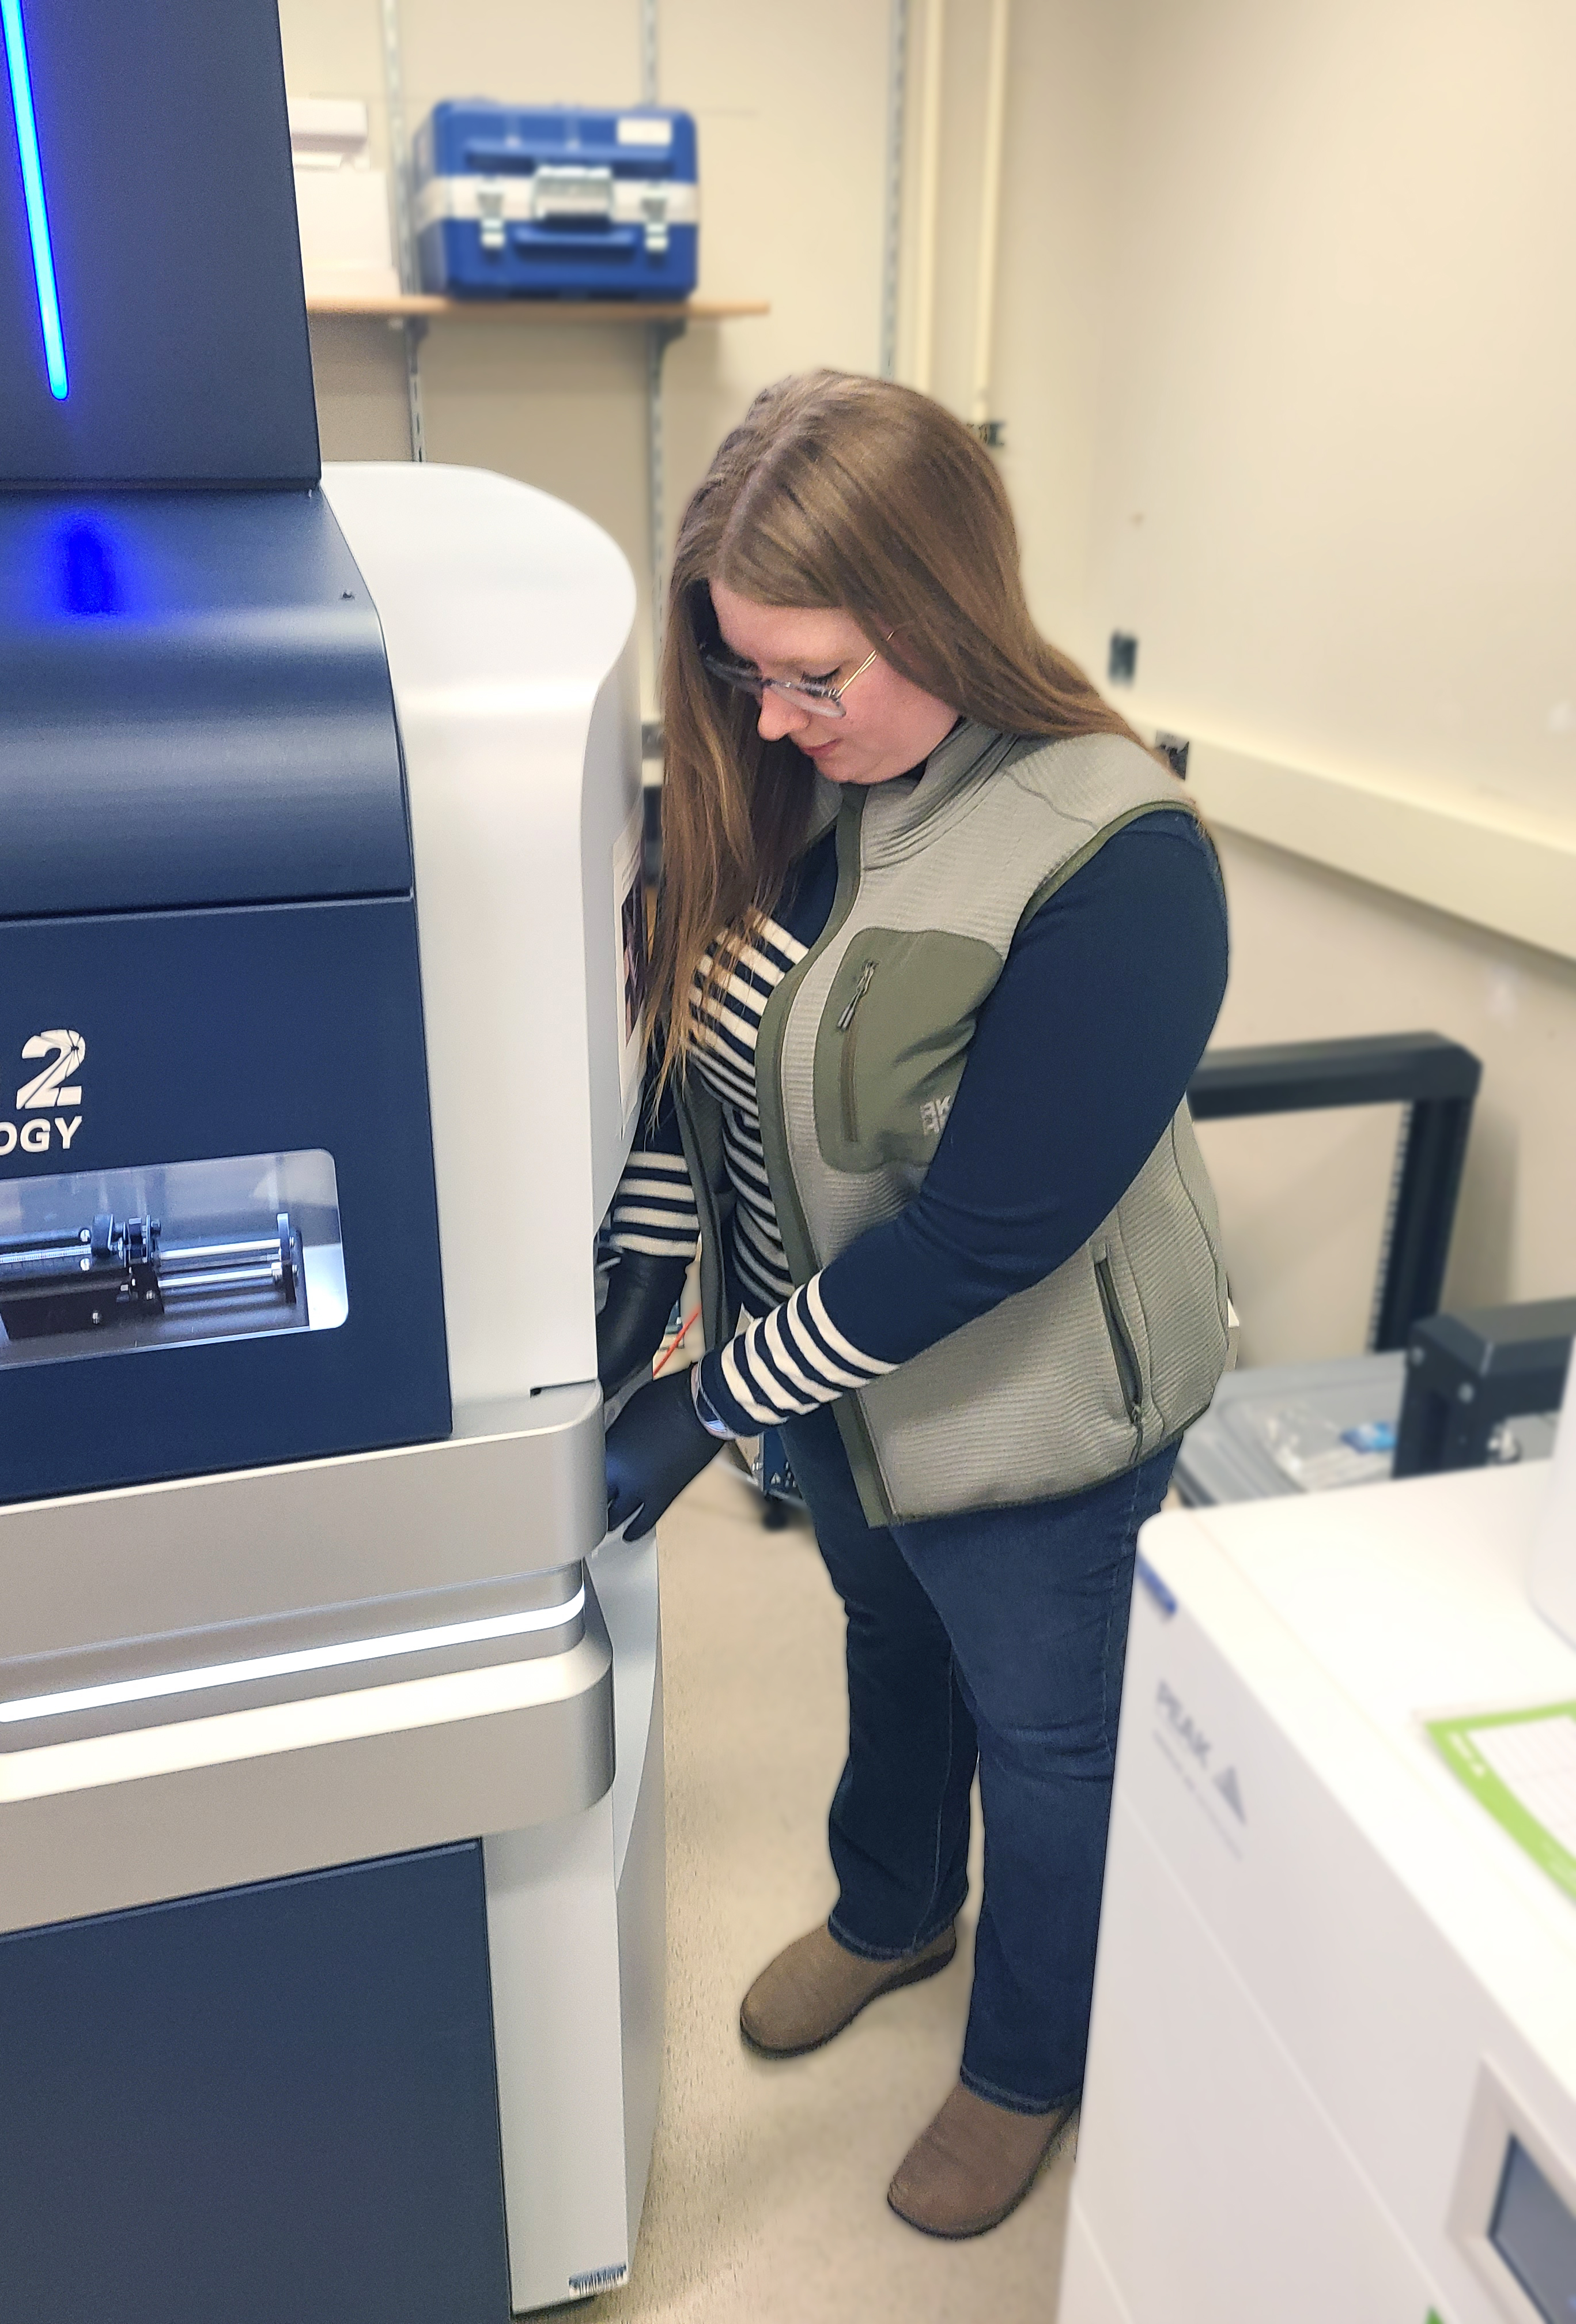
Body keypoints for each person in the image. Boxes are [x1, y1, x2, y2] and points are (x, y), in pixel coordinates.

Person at [596, 370, 1231, 2240]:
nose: (776, 717)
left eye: (817, 674)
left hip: (1033, 1409)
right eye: (744, 674)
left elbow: (981, 1238)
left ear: (946, 608)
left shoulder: (1116, 858)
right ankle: (892, 1913)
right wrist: (633, 1317)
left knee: (1048, 1746)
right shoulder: (786, 791)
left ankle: (1026, 2057)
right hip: (840, 1391)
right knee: (889, 1650)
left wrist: (706, 1406)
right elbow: (696, 1081)